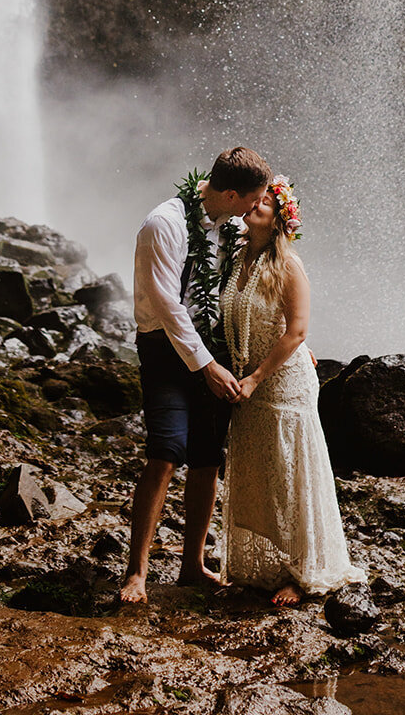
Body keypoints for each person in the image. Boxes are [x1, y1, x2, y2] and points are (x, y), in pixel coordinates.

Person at [119, 146, 272, 604]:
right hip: (164, 348)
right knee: (163, 454)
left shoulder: (229, 226)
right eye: (250, 201)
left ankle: (192, 565)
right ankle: (137, 573)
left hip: (215, 346)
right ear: (229, 193)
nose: (252, 211)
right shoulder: (162, 225)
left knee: (208, 459)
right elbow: (167, 304)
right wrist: (205, 365)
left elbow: (253, 283)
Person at [219, 176, 365, 604]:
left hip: (279, 383)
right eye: (255, 199)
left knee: (288, 474)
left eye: (266, 200)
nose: (256, 204)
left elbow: (298, 329)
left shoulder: (288, 264)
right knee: (261, 473)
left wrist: (256, 376)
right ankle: (266, 564)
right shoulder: (238, 256)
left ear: (281, 217)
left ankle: (300, 572)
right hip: (250, 381)